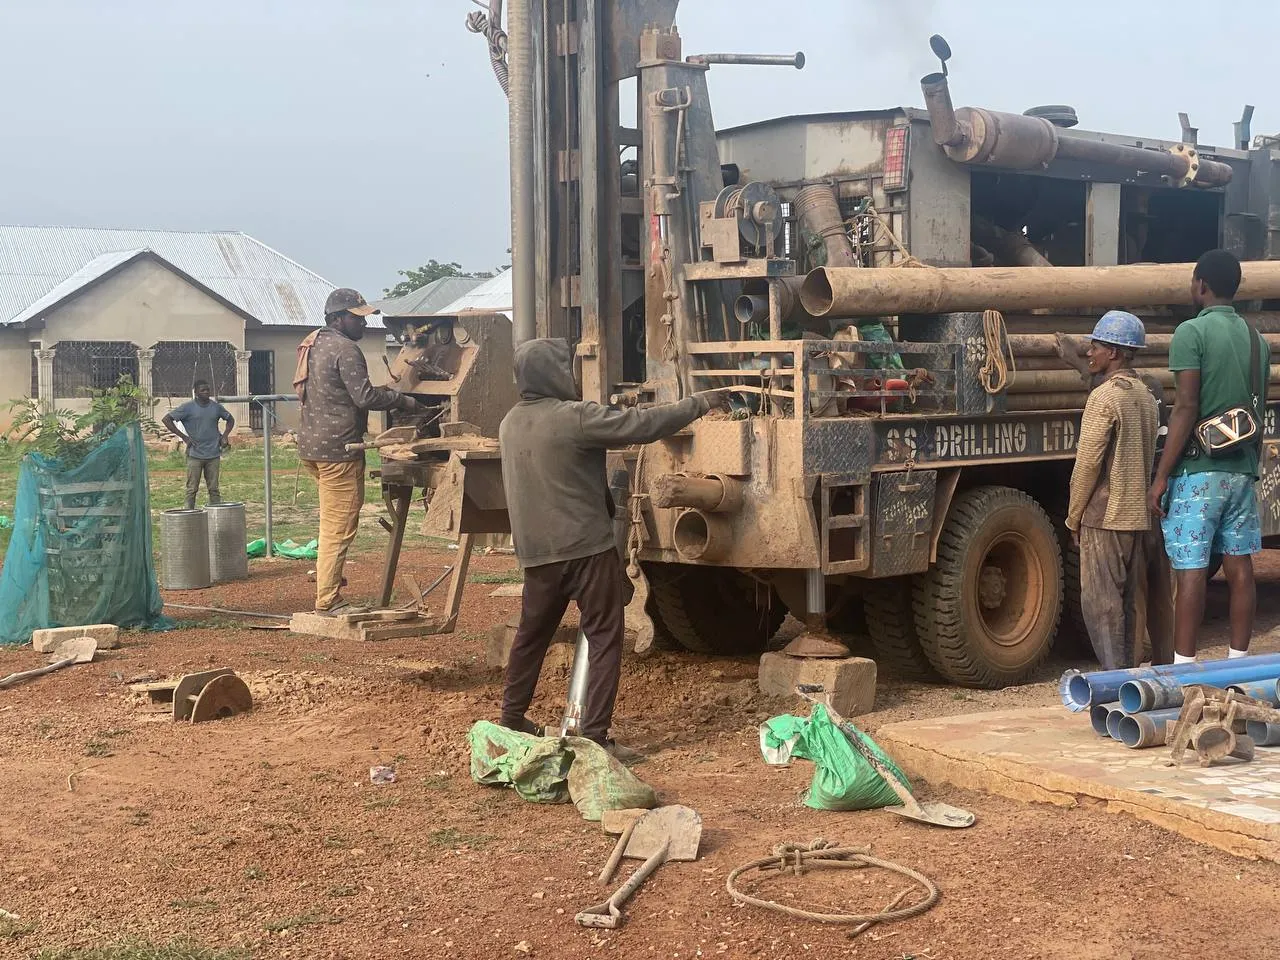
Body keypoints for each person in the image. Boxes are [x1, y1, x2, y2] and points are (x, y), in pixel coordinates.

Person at [498, 338, 730, 756]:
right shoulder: (574, 417)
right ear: (554, 374)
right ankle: (595, 736)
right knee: (605, 638)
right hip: (585, 548)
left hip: (537, 555)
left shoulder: (510, 422)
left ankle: (511, 720)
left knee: (531, 637)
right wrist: (699, 402)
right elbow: (640, 425)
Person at [1149, 250, 1269, 662]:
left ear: (1201, 285)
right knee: (1240, 569)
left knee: (1192, 569)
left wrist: (1162, 474)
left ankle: (1184, 668)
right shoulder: (1257, 341)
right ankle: (1237, 666)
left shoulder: (1190, 333)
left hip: (1200, 471)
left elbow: (1185, 406)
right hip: (1242, 471)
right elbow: (1258, 408)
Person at [295, 288, 423, 615]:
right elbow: (364, 397)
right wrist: (403, 399)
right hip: (340, 450)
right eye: (357, 317)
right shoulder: (346, 349)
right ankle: (328, 600)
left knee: (330, 525)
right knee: (338, 529)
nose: (364, 323)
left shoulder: (313, 342)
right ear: (338, 318)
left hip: (312, 447)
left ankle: (329, 585)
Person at [1065, 312, 1159, 670]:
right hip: (1135, 518)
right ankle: (1130, 677)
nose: (1090, 352)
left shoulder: (1104, 398)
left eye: (1097, 346)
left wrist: (1074, 517)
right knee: (1128, 604)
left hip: (1105, 517)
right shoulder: (1146, 396)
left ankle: (1115, 682)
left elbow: (1088, 464)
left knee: (1102, 605)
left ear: (1115, 353)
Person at [163, 379, 235, 510]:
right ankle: (189, 515)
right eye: (203, 390)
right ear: (196, 392)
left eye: (208, 390)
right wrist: (184, 437)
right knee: (192, 489)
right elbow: (167, 419)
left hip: (213, 454)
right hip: (195, 454)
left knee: (214, 489)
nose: (206, 392)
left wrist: (224, 436)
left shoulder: (216, 407)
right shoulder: (187, 407)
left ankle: (216, 516)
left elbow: (230, 419)